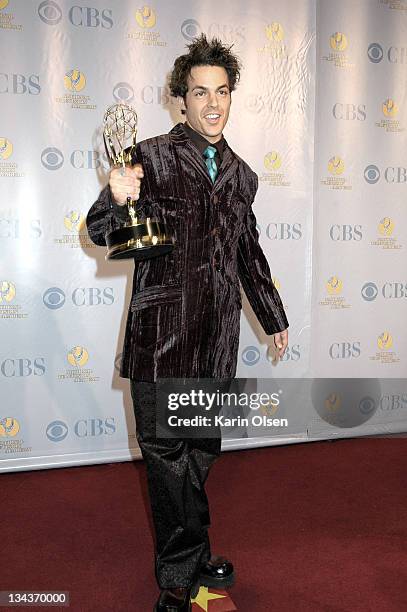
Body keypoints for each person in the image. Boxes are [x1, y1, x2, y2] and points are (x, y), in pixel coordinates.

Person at [86, 34, 289, 612]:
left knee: (200, 449)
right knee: (166, 454)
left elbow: (248, 252)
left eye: (222, 92)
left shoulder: (243, 175)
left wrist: (272, 316)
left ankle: (195, 550)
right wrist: (115, 194)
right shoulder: (148, 156)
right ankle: (178, 572)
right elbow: (107, 234)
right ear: (181, 100)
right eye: (200, 92)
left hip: (216, 340)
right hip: (161, 340)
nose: (213, 104)